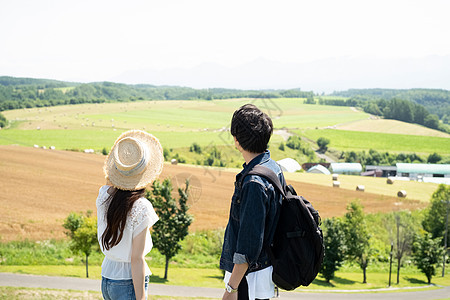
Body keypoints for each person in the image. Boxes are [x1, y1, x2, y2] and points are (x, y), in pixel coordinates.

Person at [220, 104, 285, 300]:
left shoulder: (253, 183)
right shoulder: (273, 168)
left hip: (249, 281)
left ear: (237, 140)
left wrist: (231, 289)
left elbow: (248, 247)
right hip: (263, 273)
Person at [97, 130, 164, 300]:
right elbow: (136, 259)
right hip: (128, 282)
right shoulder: (141, 207)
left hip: (107, 279)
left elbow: (109, 182)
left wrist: (120, 170)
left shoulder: (104, 196)